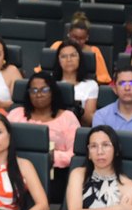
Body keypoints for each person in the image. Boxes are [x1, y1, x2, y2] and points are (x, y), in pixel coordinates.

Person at [7, 71, 81, 201]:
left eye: (44, 89)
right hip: (15, 172)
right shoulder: (15, 114)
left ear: (53, 92)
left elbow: (76, 154)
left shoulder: (67, 117)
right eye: (33, 90)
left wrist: (50, 156)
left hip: (54, 175)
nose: (39, 94)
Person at [48, 11, 112, 85]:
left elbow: (104, 79)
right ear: (69, 34)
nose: (77, 42)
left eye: (81, 38)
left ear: (87, 37)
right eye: (74, 37)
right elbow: (42, 70)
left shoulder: (94, 51)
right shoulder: (57, 46)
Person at [52, 41, 99, 126]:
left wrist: (78, 108)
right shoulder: (52, 83)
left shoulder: (91, 85)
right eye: (64, 56)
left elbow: (90, 121)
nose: (69, 60)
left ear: (79, 58)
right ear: (58, 61)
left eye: (73, 55)